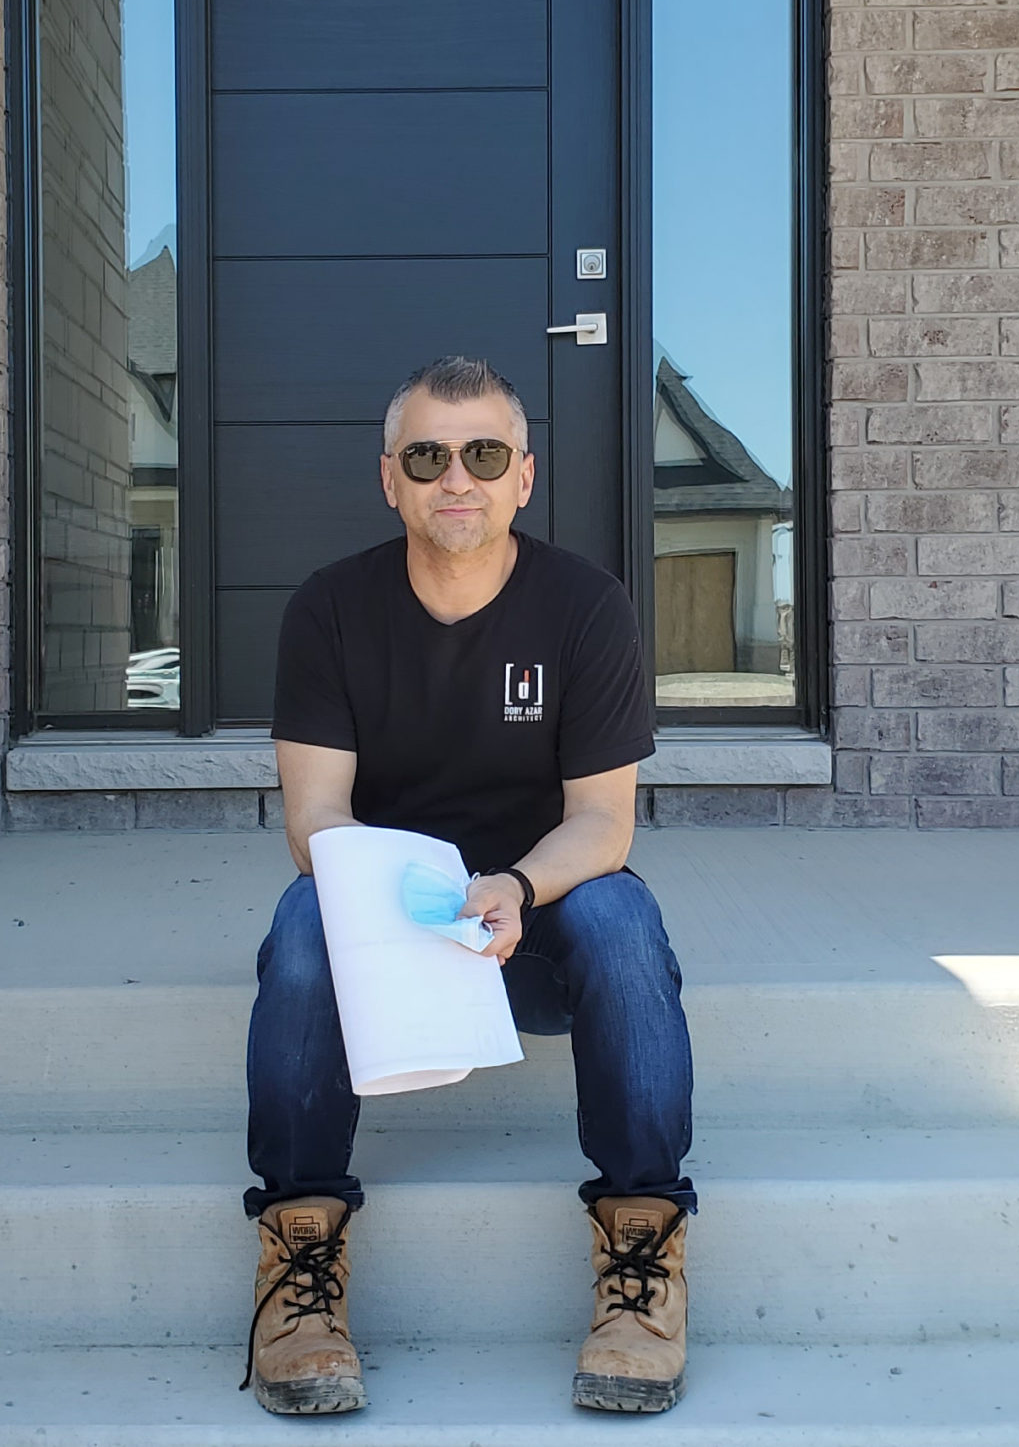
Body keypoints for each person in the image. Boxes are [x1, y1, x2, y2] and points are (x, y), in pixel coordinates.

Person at [242, 356, 696, 1417]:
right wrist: (415, 906)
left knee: (623, 912)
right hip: (389, 934)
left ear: (523, 477)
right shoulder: (330, 611)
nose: (459, 477)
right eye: (429, 456)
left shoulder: (585, 607)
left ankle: (642, 1256)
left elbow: (602, 820)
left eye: (484, 454)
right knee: (305, 918)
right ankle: (299, 1262)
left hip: (528, 924)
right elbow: (316, 825)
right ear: (389, 479)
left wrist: (514, 889)